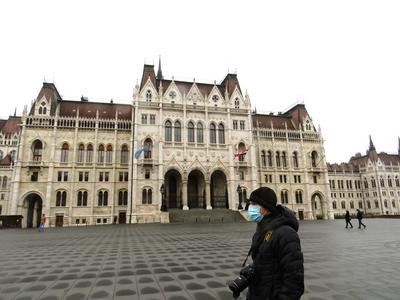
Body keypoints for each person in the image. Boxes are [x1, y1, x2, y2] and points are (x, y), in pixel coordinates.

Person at [245, 187, 304, 300]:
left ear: (265, 206)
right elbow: (268, 262)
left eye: (253, 204)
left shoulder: (286, 234)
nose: (250, 208)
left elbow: (294, 281)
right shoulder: (262, 229)